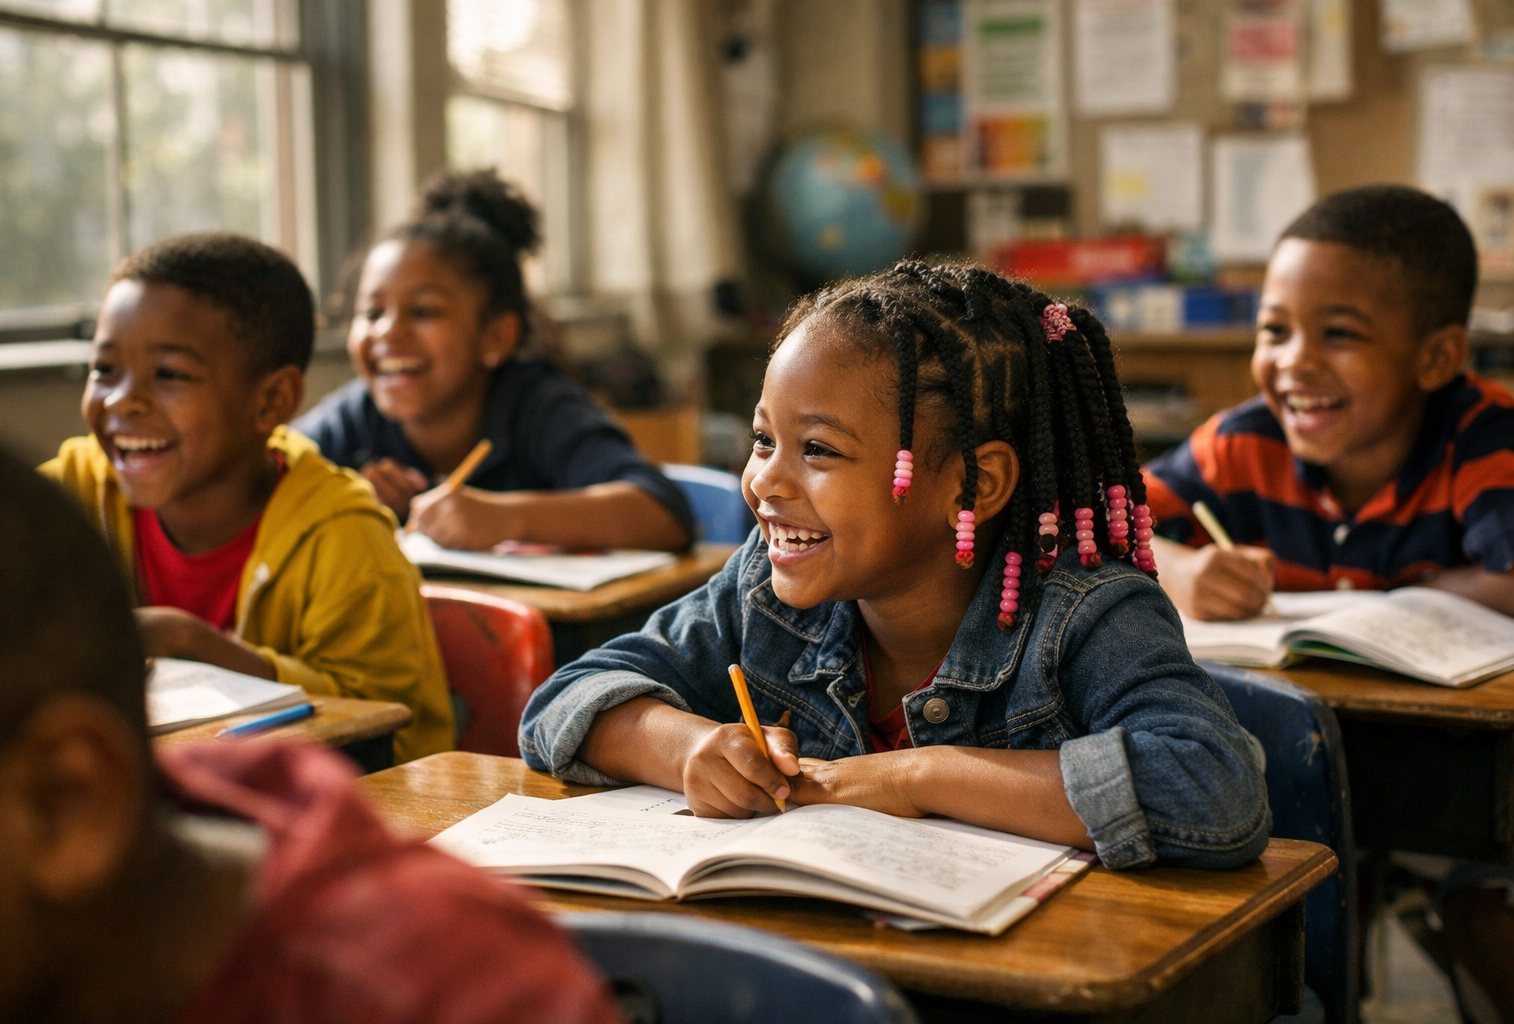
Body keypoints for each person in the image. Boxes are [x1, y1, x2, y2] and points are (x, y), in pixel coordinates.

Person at [519, 260, 1269, 870]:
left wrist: (915, 777)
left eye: (817, 450)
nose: (767, 483)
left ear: (973, 484)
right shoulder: (769, 591)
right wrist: (690, 749)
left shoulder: (1086, 613)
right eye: (761, 440)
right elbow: (566, 698)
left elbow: (1214, 789)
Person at [0, 437, 619, 1024]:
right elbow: (562, 701)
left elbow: (427, 701)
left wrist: (509, 517)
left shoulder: (444, 989)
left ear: (66, 801)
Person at [42, 233, 454, 764]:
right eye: (105, 370)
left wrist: (188, 641)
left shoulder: (345, 538)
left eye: (169, 375)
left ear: (271, 401)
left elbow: (392, 735)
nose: (124, 401)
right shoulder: (71, 495)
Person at [1144, 185, 1514, 621]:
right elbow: (1085, 521)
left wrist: (1402, 595)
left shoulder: (1487, 437)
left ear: (1436, 358)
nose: (1295, 362)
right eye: (1275, 330)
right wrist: (1175, 569)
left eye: (1339, 333)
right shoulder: (1239, 444)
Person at [294, 169, 694, 552]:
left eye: (423, 312)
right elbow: (263, 478)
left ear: (496, 337)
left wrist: (505, 518)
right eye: (372, 313)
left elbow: (663, 513)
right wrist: (346, 499)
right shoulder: (354, 417)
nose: (387, 333)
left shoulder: (539, 409)